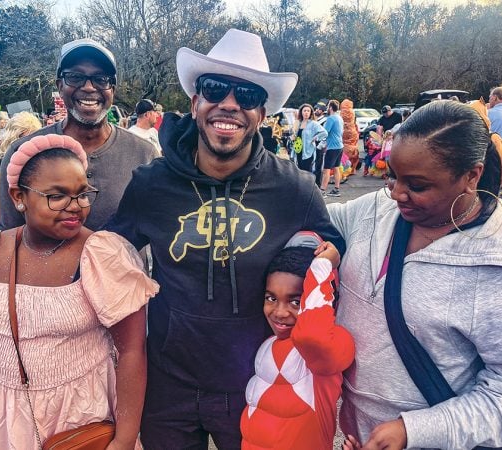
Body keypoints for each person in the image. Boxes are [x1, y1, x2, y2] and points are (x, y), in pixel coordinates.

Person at [106, 28, 345, 449]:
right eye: (215, 88)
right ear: (196, 101)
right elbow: (105, 256)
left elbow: (329, 251)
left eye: (247, 95)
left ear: (263, 112)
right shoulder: (151, 185)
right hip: (168, 384)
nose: (230, 104)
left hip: (257, 381)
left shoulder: (294, 188)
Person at [0, 134, 159, 449]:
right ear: (18, 197)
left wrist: (124, 438)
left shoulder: (104, 256)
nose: (75, 206)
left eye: (82, 194)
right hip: (5, 415)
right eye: (57, 195)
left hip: (83, 415)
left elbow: (132, 351)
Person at [328, 101, 502, 449]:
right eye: (393, 176)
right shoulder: (377, 209)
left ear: (471, 176)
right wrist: (316, 245)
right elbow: (318, 219)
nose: (397, 193)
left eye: (417, 185)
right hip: (357, 435)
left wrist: (416, 430)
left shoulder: (499, 264)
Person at [0, 38, 158, 231]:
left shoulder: (144, 154)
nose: (89, 87)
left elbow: (158, 228)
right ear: (60, 86)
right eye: (75, 77)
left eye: (101, 79)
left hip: (122, 261)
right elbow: (8, 234)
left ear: (112, 90)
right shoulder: (24, 152)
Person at [240, 232, 354, 450]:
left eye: (295, 301)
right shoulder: (268, 343)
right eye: (271, 298)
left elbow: (313, 336)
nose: (280, 312)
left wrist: (322, 266)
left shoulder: (332, 346)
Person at [320, 100, 344, 197]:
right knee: (336, 168)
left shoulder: (330, 119)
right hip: (339, 146)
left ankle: (322, 191)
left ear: (330, 108)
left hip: (332, 147)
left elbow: (324, 132)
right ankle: (336, 189)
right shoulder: (339, 118)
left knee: (326, 170)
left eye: (327, 106)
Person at [293, 103, 327, 172]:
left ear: (311, 113)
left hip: (308, 152)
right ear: (301, 112)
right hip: (298, 151)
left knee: (307, 171)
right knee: (300, 171)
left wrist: (316, 138)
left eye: (308, 111)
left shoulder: (313, 123)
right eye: (304, 111)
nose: (306, 113)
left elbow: (324, 133)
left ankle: (309, 183)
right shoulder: (299, 123)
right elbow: (294, 134)